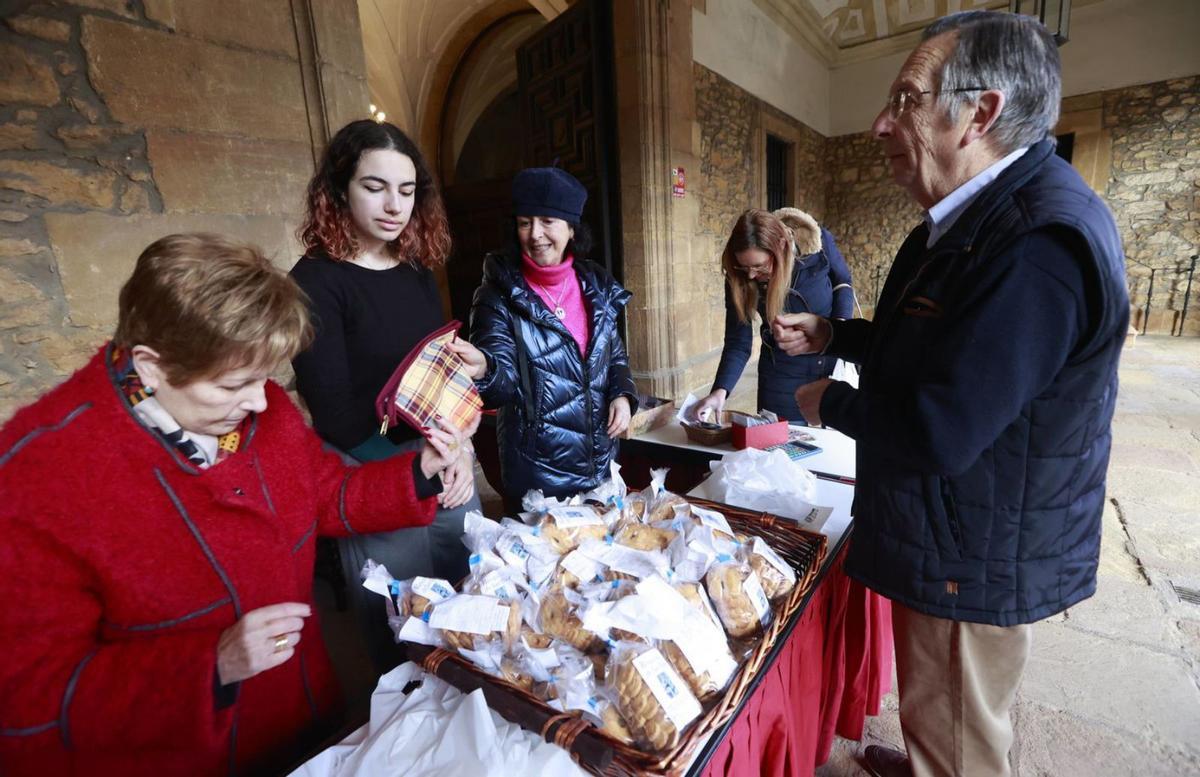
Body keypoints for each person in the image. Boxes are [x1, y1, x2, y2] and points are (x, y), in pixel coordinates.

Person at [773, 12, 1129, 777]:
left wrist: (826, 404)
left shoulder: (1037, 243)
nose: (879, 123)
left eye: (905, 99)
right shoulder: (969, 219)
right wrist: (839, 339)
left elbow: (941, 426)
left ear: (982, 112)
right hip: (959, 528)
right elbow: (934, 351)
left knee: (963, 722)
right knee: (951, 705)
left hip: (973, 548)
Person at [0, 234, 465, 776]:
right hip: (185, 754)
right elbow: (31, 700)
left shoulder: (259, 410)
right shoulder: (39, 477)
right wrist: (211, 666)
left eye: (264, 378)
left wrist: (421, 469)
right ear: (150, 367)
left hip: (303, 718)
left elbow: (325, 493)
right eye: (234, 385)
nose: (261, 402)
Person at [290, 120, 484, 670]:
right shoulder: (315, 283)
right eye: (374, 187)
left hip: (444, 463)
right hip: (372, 474)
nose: (394, 205)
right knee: (401, 627)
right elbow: (336, 416)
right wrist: (421, 465)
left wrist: (461, 453)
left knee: (468, 607)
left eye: (407, 189)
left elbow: (434, 376)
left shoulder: (417, 270)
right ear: (338, 191)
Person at [456, 167, 638, 509]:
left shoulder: (596, 287)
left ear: (571, 228)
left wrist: (623, 395)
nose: (535, 234)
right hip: (538, 478)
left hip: (601, 463)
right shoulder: (498, 296)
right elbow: (502, 385)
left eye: (547, 221)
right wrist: (485, 369)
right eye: (525, 222)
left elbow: (615, 357)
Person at [693, 207, 854, 423]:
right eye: (744, 267)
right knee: (781, 448)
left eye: (759, 266)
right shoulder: (739, 274)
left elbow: (843, 281)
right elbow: (738, 342)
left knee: (831, 448)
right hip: (781, 376)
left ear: (780, 246)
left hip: (832, 366)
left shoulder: (817, 242)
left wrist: (839, 330)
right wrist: (720, 391)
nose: (751, 274)